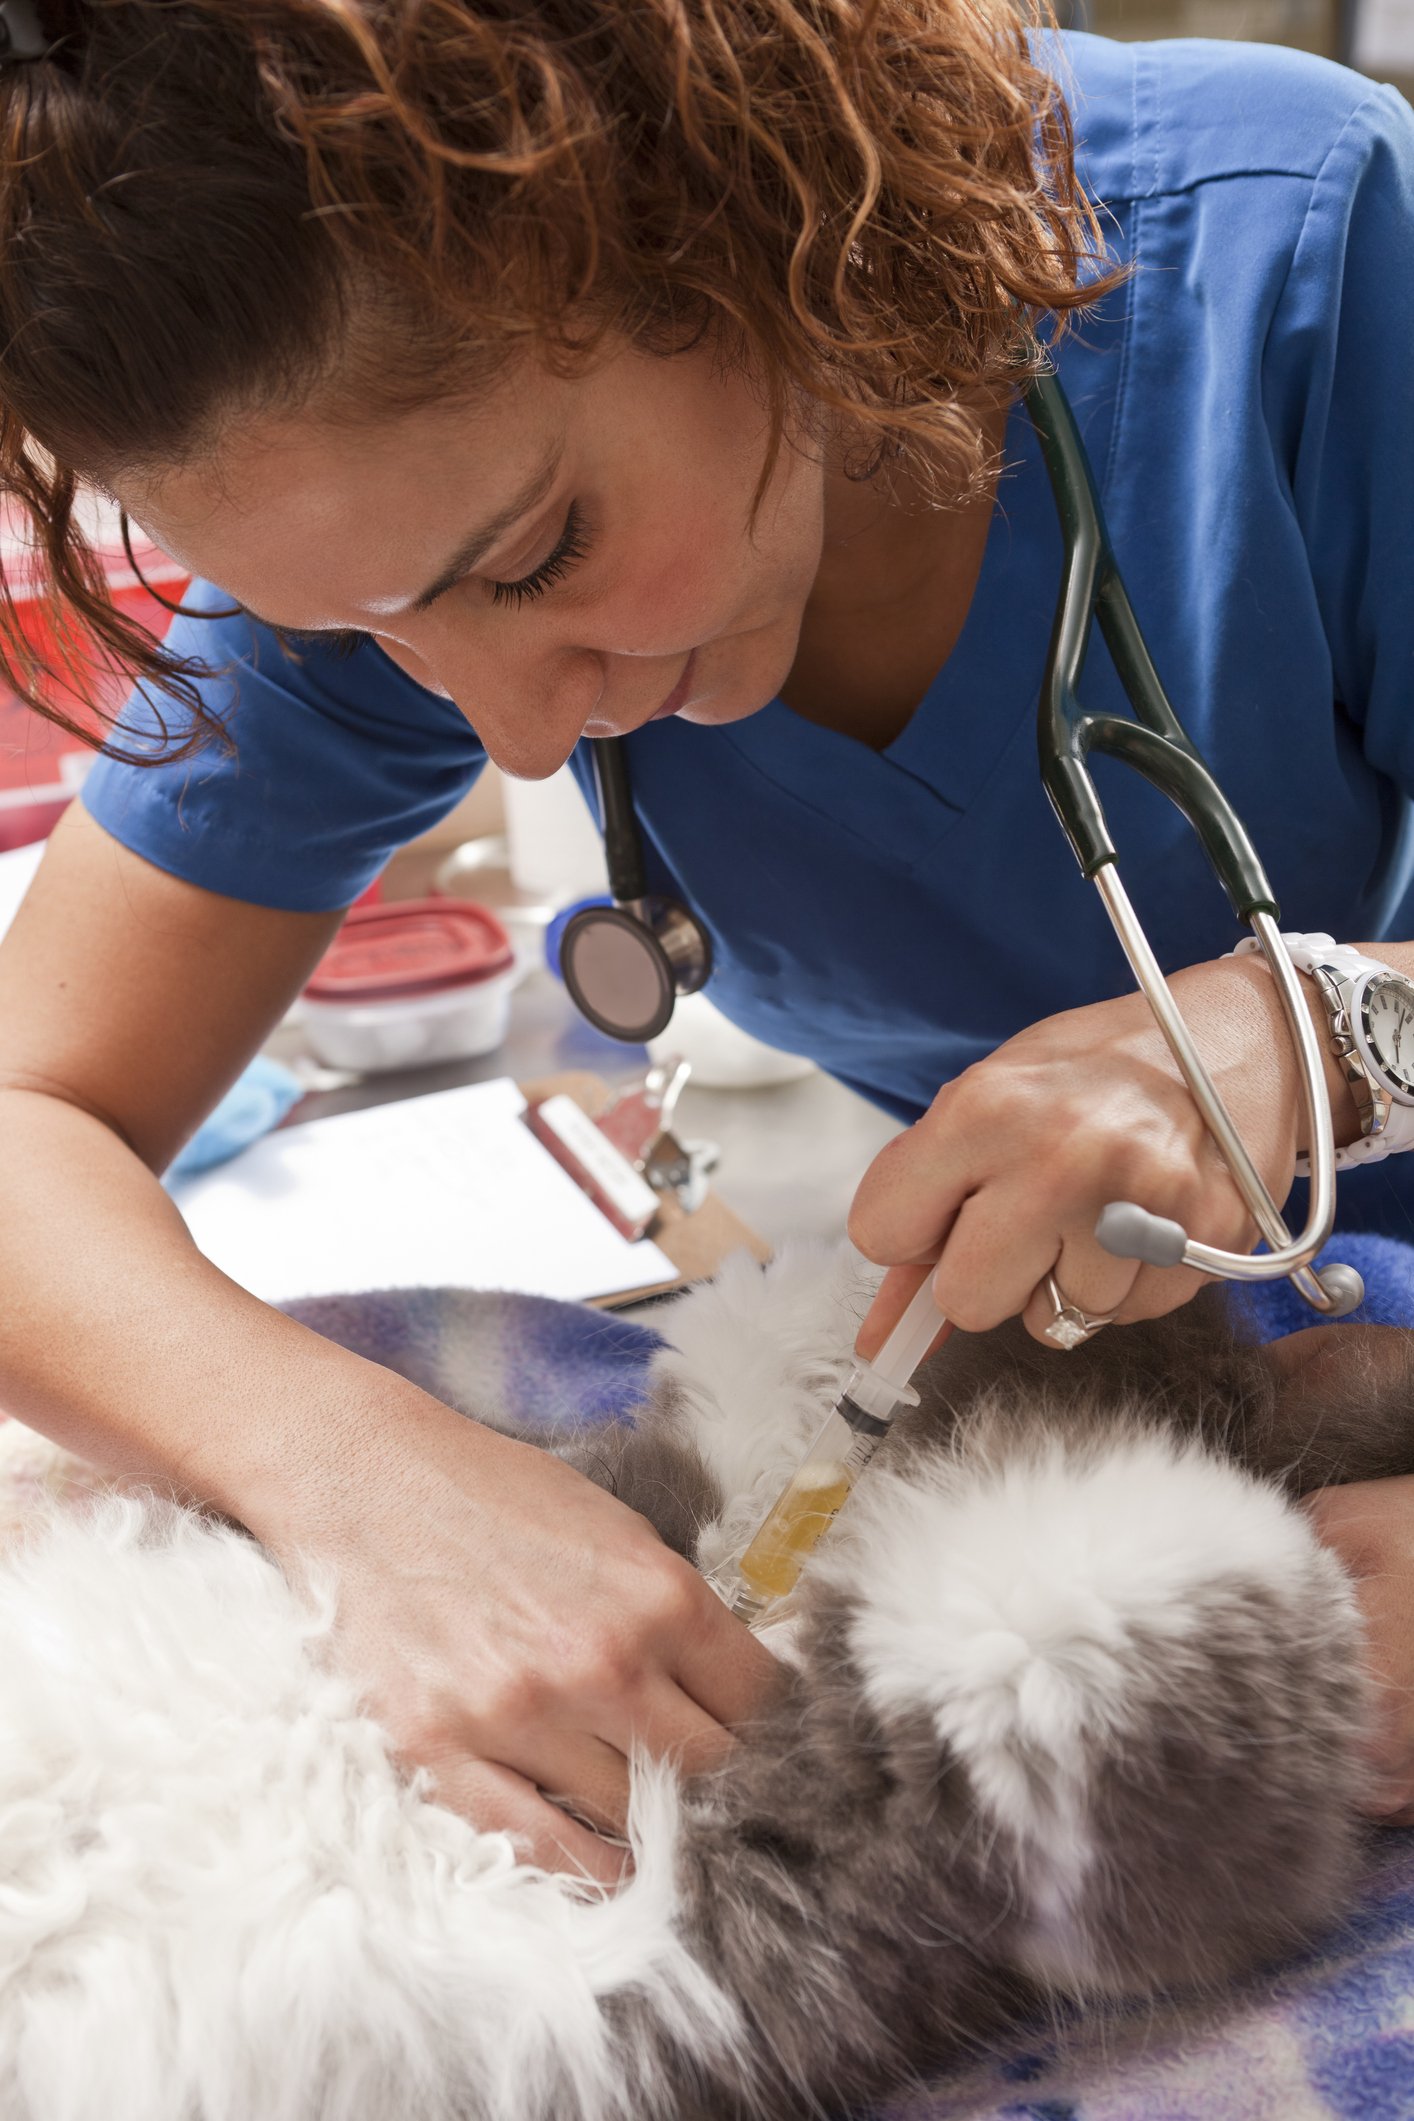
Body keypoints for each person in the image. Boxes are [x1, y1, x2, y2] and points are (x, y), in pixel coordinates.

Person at [1, 0, 1413, 1869]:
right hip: (1050, 1329)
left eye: (534, 556)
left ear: (754, 208)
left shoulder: (1305, 253)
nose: (502, 730)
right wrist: (351, 1476)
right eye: (373, 637)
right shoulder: (378, 531)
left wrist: (1320, 1033)